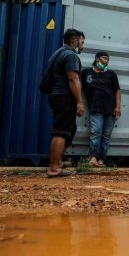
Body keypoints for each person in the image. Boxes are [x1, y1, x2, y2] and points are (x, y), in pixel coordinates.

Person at [47, 29, 85, 177]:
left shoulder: (57, 53)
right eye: (82, 42)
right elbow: (73, 79)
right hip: (64, 97)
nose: (83, 46)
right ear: (74, 42)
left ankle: (58, 161)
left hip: (56, 95)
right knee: (61, 132)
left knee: (69, 129)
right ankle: (54, 168)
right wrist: (79, 102)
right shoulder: (70, 56)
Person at [81, 52, 121, 167]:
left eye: (108, 59)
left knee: (106, 135)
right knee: (95, 132)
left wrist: (117, 107)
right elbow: (79, 87)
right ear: (97, 58)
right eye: (104, 58)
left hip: (110, 109)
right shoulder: (86, 73)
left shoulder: (111, 74)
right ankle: (93, 157)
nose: (106, 61)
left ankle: (102, 159)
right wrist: (78, 102)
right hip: (95, 108)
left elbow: (117, 91)